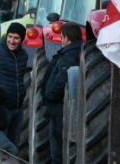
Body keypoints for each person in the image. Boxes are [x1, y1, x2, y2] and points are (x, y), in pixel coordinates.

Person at [41, 23, 82, 164]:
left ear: (66, 38)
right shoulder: (75, 52)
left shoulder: (69, 55)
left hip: (59, 109)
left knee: (57, 152)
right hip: (60, 107)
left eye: (62, 37)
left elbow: (62, 78)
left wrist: (49, 95)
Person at [0, 22, 28, 147]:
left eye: (16, 38)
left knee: (14, 144)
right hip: (2, 108)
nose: (12, 41)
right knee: (0, 147)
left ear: (22, 39)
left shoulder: (24, 55)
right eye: (10, 36)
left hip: (17, 108)